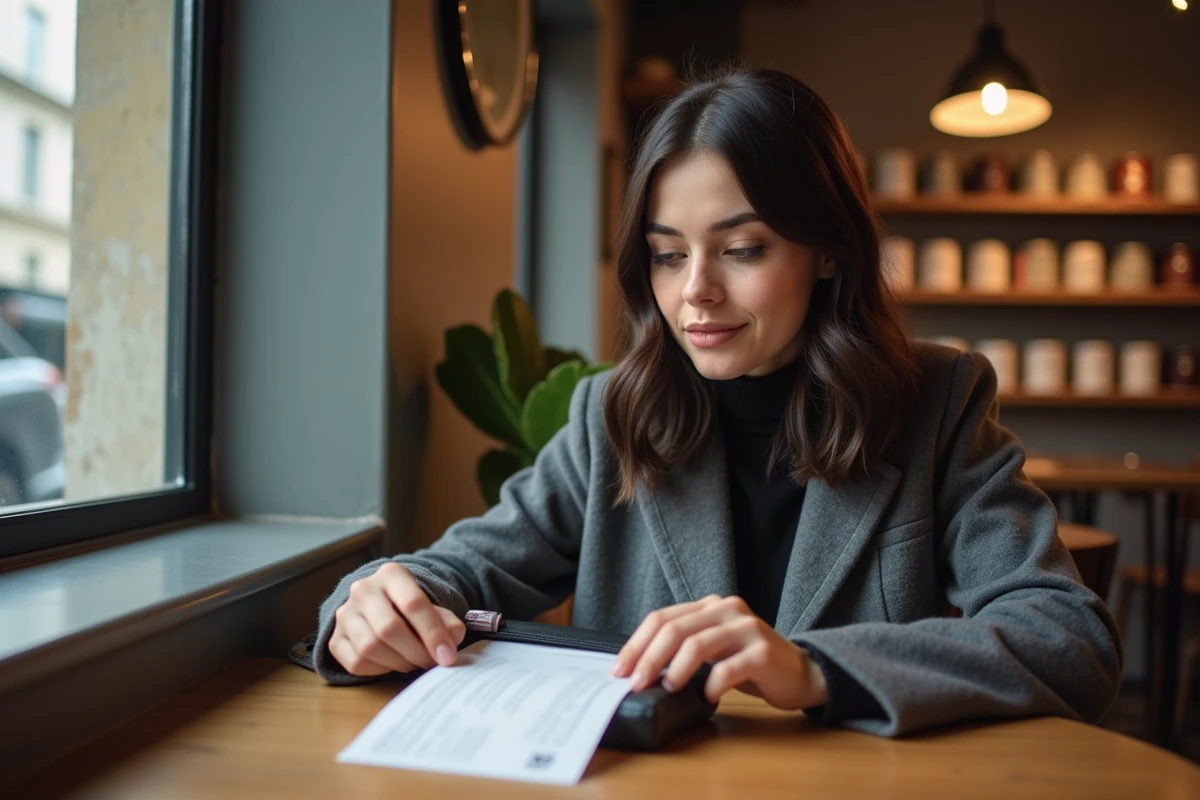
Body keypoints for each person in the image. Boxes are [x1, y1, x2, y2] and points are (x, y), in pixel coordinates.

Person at [314, 67, 1122, 737]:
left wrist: (815, 668)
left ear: (829, 251)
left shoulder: (936, 403)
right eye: (667, 256)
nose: (696, 291)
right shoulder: (611, 414)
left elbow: (1068, 637)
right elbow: (462, 568)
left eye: (741, 249)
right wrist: (381, 597)